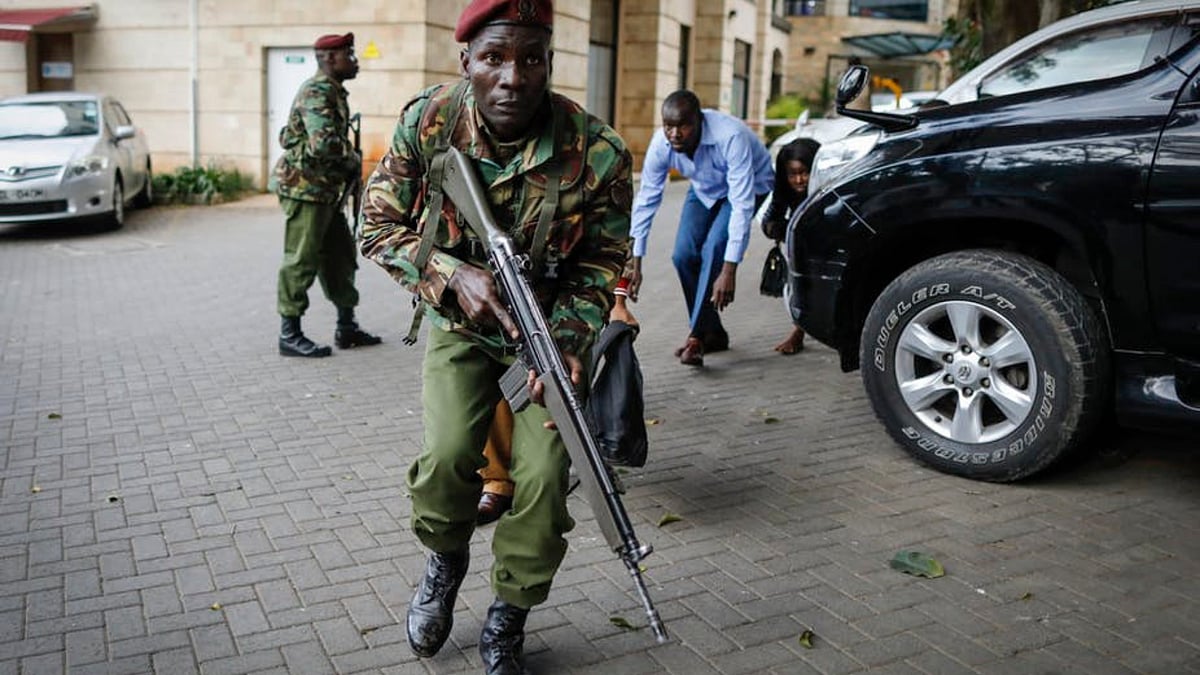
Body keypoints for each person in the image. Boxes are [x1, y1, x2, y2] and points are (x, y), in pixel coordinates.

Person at [356, 1, 634, 673]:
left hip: (546, 336)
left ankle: (509, 612)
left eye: (531, 58)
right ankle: (444, 561)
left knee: (546, 479)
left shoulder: (597, 151)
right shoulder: (430, 121)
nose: (513, 77)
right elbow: (376, 226)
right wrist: (453, 274)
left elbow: (602, 263)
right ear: (466, 62)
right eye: (494, 58)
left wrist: (568, 340)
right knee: (449, 457)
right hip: (461, 327)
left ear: (549, 62)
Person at [628, 90, 774, 367]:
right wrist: (635, 260)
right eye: (668, 126)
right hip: (705, 188)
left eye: (683, 126)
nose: (674, 134)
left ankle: (697, 337)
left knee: (714, 248)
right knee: (682, 255)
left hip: (749, 187)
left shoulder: (730, 136)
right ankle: (714, 333)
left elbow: (741, 205)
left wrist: (729, 269)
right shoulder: (661, 144)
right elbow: (646, 200)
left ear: (699, 121)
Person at [475, 289, 638, 526]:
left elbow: (603, 270)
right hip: (489, 313)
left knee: (547, 458)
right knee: (495, 389)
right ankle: (497, 481)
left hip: (557, 310)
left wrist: (619, 299)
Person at [269, 31, 381, 358]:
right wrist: (353, 158)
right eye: (350, 54)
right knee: (301, 259)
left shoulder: (332, 91)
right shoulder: (317, 91)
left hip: (325, 192)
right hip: (306, 191)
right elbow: (323, 144)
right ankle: (289, 333)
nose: (355, 61)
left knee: (340, 257)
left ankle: (347, 327)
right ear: (330, 58)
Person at [759, 137, 820, 355]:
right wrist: (780, 228)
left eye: (804, 172)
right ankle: (799, 329)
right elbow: (769, 219)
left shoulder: (825, 189)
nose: (799, 180)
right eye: (792, 174)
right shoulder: (784, 191)